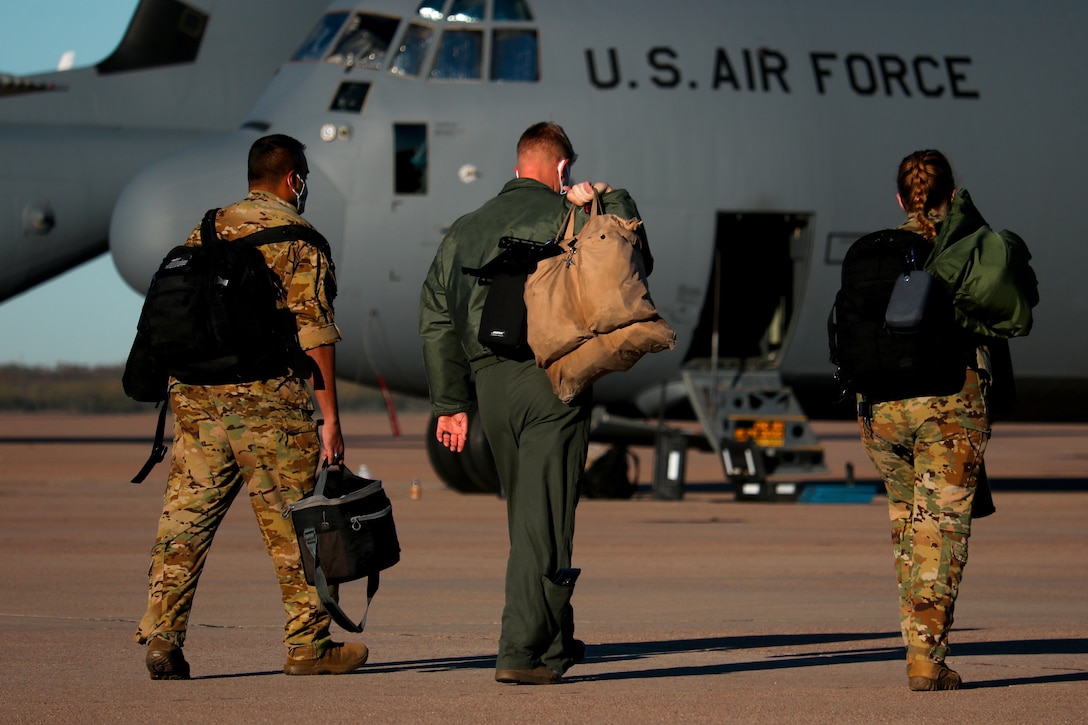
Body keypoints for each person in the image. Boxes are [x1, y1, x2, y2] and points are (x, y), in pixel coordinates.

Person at [419, 122, 648, 685]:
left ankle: (552, 643)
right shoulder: (572, 216)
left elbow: (436, 318)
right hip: (552, 378)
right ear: (562, 169)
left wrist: (451, 402)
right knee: (545, 519)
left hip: (490, 388)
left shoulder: (465, 230)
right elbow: (634, 258)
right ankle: (520, 651)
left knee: (528, 514)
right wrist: (608, 198)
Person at [135, 134, 369, 679]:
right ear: (293, 180)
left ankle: (163, 638)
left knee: (185, 523)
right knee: (296, 528)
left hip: (196, 399)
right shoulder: (299, 239)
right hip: (268, 405)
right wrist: (330, 418)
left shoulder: (207, 228)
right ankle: (309, 645)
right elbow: (315, 333)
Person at [859, 149, 1036, 691]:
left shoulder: (879, 251)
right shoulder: (967, 245)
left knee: (909, 530)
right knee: (940, 534)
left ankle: (918, 647)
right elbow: (1016, 305)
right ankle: (925, 661)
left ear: (898, 198)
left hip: (880, 410)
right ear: (953, 195)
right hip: (947, 407)